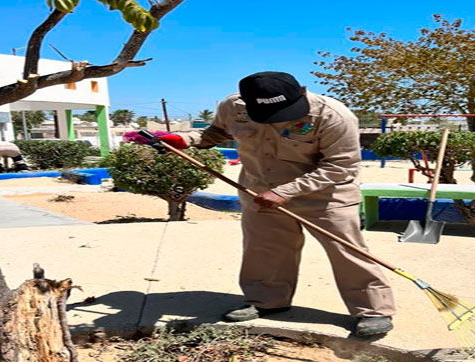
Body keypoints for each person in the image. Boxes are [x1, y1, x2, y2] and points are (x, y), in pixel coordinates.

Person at [158, 72, 396, 336]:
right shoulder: (232, 107)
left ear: (302, 90)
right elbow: (216, 132)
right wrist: (186, 140)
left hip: (327, 196)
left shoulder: (333, 115)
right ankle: (266, 301)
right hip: (260, 192)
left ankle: (374, 310)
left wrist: (287, 191)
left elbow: (341, 166)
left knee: (346, 251)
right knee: (264, 250)